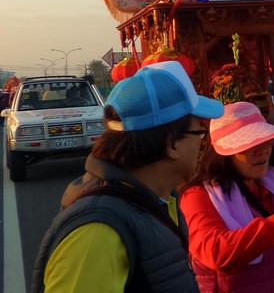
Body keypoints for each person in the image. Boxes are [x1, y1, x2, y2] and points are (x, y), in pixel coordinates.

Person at [31, 60, 225, 292]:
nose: (203, 144)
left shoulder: (158, 200)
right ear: (171, 144)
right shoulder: (98, 231)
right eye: (200, 133)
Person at [179, 101, 274, 292]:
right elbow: (216, 252)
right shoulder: (199, 196)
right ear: (225, 153)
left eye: (265, 141)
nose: (262, 151)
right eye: (249, 144)